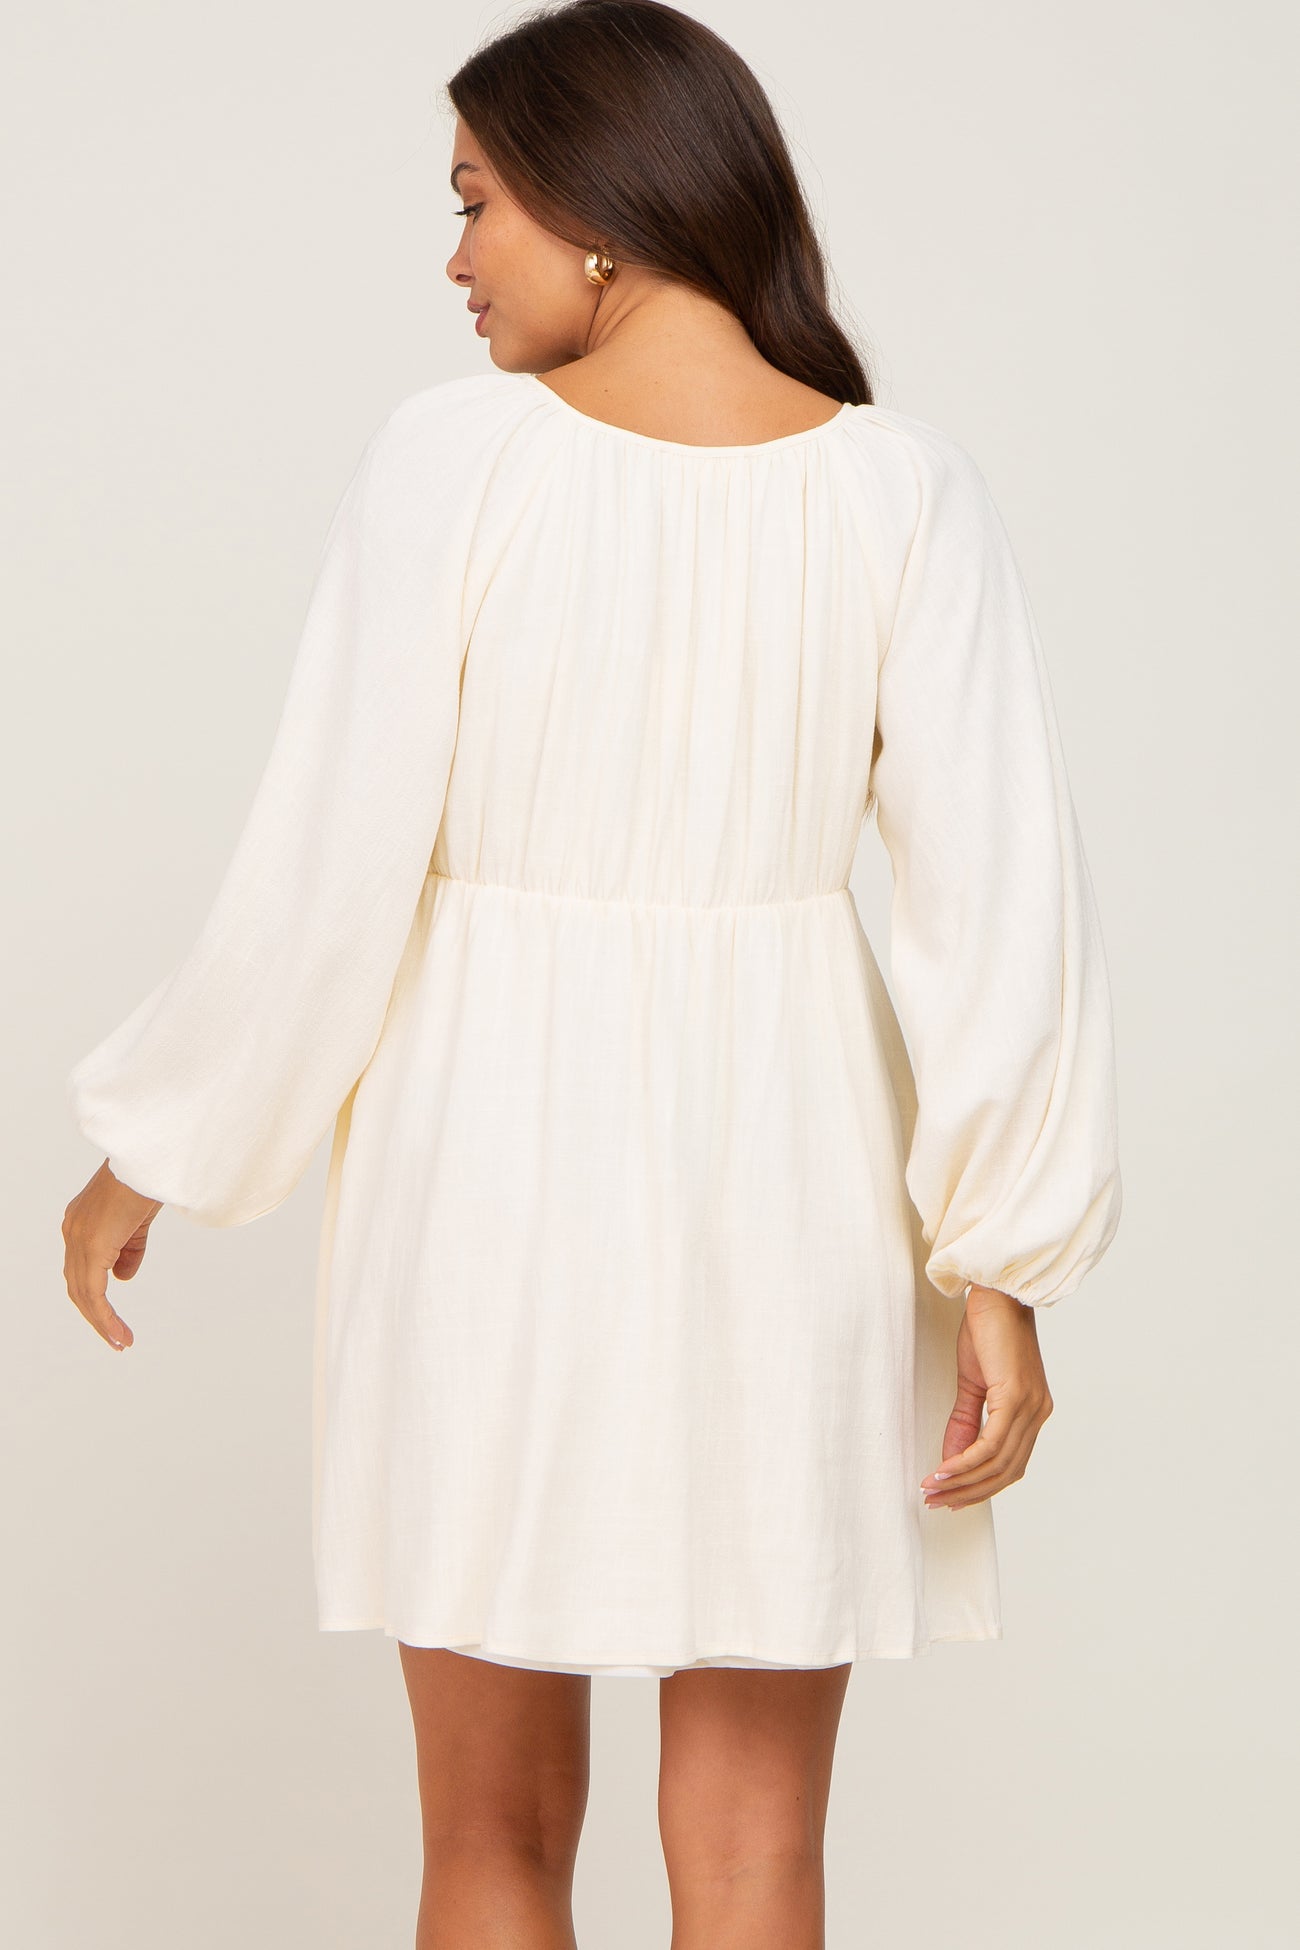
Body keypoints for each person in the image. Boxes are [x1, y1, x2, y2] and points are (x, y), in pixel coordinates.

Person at [60, 3, 1123, 1945]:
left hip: (485, 1171)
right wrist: (999, 1267)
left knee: (488, 1837)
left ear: (600, 206)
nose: (454, 256)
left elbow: (327, 863)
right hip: (798, 1182)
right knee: (757, 1850)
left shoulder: (453, 462)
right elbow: (1005, 917)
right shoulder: (904, 492)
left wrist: (162, 1145)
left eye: (476, 200)